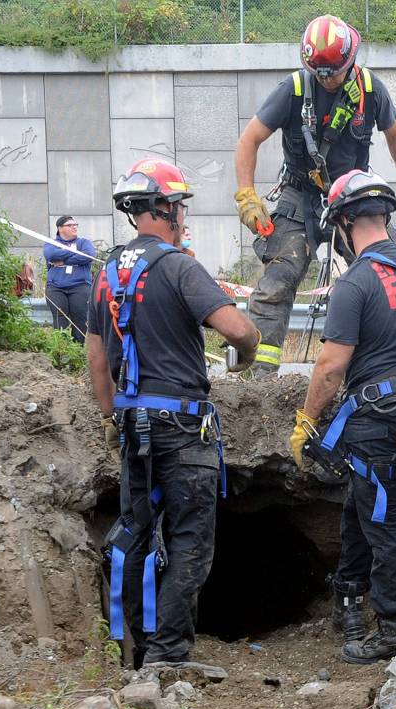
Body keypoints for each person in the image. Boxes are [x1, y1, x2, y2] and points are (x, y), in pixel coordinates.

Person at [87, 158, 260, 668]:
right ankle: (169, 654)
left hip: (133, 422)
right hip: (184, 426)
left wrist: (110, 418)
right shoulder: (180, 265)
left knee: (138, 531)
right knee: (189, 539)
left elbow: (97, 360)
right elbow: (238, 330)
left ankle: (138, 652)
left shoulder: (105, 275)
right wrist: (245, 357)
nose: (183, 215)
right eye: (179, 205)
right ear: (163, 208)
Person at [287, 170, 396, 665]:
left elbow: (332, 366)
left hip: (379, 418)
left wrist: (308, 422)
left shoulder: (355, 281)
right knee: (363, 502)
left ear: (342, 224)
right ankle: (349, 600)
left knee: (384, 518)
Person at [234, 14, 396, 376]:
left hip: (352, 197)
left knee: (389, 273)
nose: (326, 79)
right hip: (300, 195)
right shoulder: (293, 89)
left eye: (332, 72)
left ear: (350, 60)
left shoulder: (370, 89)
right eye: (319, 73)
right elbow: (250, 140)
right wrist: (247, 194)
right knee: (279, 278)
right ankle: (260, 380)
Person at [44, 216, 96, 343]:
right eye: (70, 225)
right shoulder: (51, 243)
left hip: (80, 286)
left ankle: (77, 350)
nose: (74, 227)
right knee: (59, 317)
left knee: (80, 319)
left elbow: (88, 255)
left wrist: (63, 260)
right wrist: (74, 252)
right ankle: (62, 348)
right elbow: (51, 255)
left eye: (75, 224)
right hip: (56, 287)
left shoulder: (84, 242)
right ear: (60, 228)